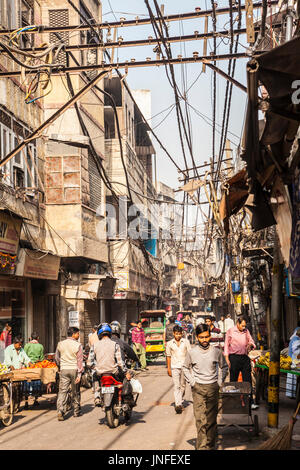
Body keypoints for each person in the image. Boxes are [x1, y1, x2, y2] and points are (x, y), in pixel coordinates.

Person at [182, 324, 226, 451]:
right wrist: (193, 382)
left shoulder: (216, 352)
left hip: (213, 388)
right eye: (201, 337)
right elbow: (185, 367)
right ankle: (201, 447)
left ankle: (210, 446)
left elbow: (224, 367)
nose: (205, 340)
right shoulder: (192, 352)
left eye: (207, 337)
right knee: (200, 420)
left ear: (210, 336)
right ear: (197, 337)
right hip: (198, 389)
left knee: (211, 420)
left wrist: (219, 382)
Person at [91, 323, 133, 406]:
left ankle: (97, 396)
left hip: (100, 372)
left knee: (94, 376)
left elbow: (89, 363)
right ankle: (125, 400)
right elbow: (120, 362)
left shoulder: (94, 345)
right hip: (114, 372)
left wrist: (96, 367)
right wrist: (126, 372)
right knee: (125, 378)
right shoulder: (115, 345)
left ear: (99, 333)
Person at [224, 316, 258, 410]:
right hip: (234, 358)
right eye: (242, 326)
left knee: (247, 381)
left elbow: (252, 341)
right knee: (234, 381)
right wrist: (227, 359)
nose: (244, 327)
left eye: (244, 326)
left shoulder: (246, 331)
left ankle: (250, 402)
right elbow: (226, 345)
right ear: (237, 323)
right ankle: (234, 402)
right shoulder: (230, 331)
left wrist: (251, 345)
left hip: (244, 358)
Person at [55, 326, 83, 421]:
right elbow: (79, 361)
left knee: (62, 391)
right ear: (74, 334)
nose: (78, 335)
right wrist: (79, 374)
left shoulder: (60, 344)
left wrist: (61, 365)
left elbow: (57, 358)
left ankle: (60, 411)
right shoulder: (78, 345)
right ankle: (76, 411)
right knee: (76, 391)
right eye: (78, 333)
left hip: (64, 369)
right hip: (74, 369)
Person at [166, 325, 191, 414]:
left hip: (184, 366)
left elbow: (189, 353)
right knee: (177, 386)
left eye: (180, 334)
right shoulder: (169, 343)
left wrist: (190, 366)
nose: (178, 336)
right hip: (174, 367)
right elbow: (168, 356)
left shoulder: (186, 342)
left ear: (182, 334)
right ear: (173, 334)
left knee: (183, 385)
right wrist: (168, 368)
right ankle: (178, 404)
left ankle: (181, 399)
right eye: (176, 334)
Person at [24, 332, 44, 408]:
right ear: (38, 338)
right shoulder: (40, 346)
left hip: (28, 366)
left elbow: (24, 355)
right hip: (36, 366)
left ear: (31, 338)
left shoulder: (27, 345)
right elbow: (41, 358)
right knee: (36, 380)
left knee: (26, 381)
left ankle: (26, 402)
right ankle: (35, 400)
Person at [286, 327, 300, 399]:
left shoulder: (295, 339)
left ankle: (291, 394)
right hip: (294, 362)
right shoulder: (296, 340)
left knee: (292, 379)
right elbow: (296, 352)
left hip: (293, 361)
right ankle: (292, 394)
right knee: (293, 378)